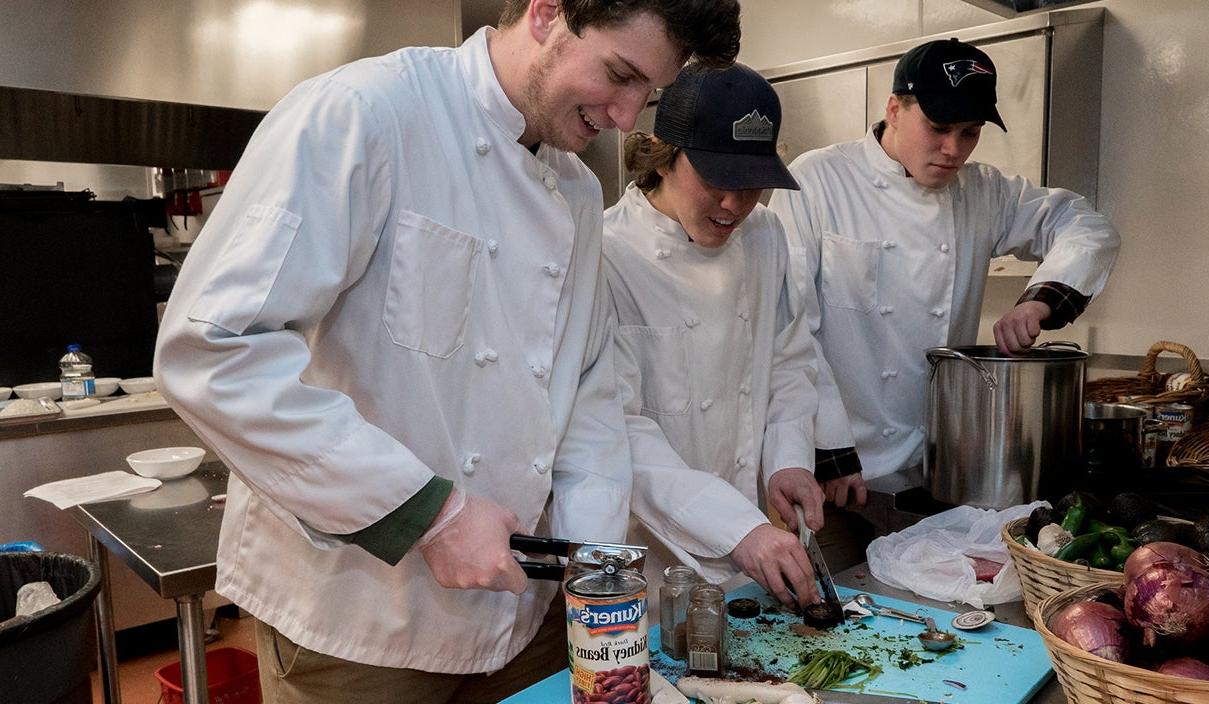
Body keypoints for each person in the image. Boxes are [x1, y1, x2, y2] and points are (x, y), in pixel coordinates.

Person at [152, 0, 740, 701]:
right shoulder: (363, 114)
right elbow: (213, 350)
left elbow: (586, 389)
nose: (625, 115)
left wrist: (594, 567)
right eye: (618, 74)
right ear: (548, 12)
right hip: (364, 623)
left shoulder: (579, 192)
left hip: (521, 616)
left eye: (648, 92)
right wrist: (431, 513)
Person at [768, 38, 1119, 512]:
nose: (953, 149)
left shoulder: (985, 192)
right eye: (938, 127)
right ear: (895, 109)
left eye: (970, 132)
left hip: (940, 464)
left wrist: (1041, 299)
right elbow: (791, 325)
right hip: (834, 465)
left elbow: (1086, 225)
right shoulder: (819, 179)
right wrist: (827, 448)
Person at [603, 62, 825, 608]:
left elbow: (788, 357)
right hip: (647, 562)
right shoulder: (607, 254)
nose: (735, 205)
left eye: (752, 185)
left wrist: (789, 458)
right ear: (664, 156)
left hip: (750, 547)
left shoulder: (766, 233)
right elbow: (617, 429)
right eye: (717, 181)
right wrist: (737, 529)